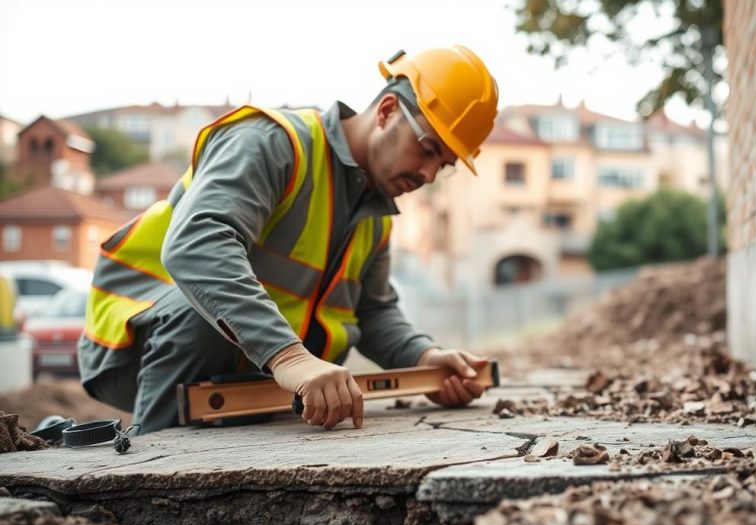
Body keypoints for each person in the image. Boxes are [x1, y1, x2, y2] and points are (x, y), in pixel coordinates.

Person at [78, 45, 500, 434]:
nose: (427, 175)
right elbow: (197, 245)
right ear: (388, 110)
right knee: (202, 311)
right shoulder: (275, 143)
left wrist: (423, 359)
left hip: (251, 363)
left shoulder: (376, 213)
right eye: (427, 148)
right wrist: (289, 357)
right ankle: (153, 465)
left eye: (444, 166)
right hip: (131, 343)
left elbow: (370, 311)